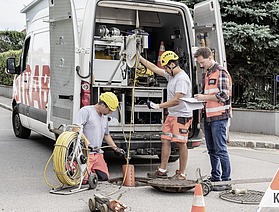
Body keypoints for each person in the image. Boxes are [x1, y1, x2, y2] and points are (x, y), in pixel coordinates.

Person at [139, 50, 192, 180]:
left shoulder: (182, 79)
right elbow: (154, 68)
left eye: (167, 68)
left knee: (181, 143)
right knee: (165, 140)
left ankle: (182, 173)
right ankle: (162, 170)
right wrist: (139, 58)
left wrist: (158, 106)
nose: (166, 71)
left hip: (181, 116)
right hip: (172, 115)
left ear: (173, 65)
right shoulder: (172, 76)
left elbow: (177, 100)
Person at [194, 47, 233, 191]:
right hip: (209, 117)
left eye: (202, 62)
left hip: (219, 117)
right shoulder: (208, 73)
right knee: (211, 149)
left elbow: (224, 95)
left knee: (220, 149)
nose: (200, 65)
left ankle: (226, 180)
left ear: (210, 57)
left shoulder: (221, 72)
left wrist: (204, 97)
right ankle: (216, 177)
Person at [73, 92, 126, 181]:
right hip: (86, 153)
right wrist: (87, 143)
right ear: (102, 105)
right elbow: (75, 128)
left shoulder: (104, 117)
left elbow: (106, 135)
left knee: (104, 177)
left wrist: (116, 148)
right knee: (83, 180)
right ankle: (74, 166)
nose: (110, 112)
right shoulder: (86, 111)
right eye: (109, 110)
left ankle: (89, 170)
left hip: (98, 154)